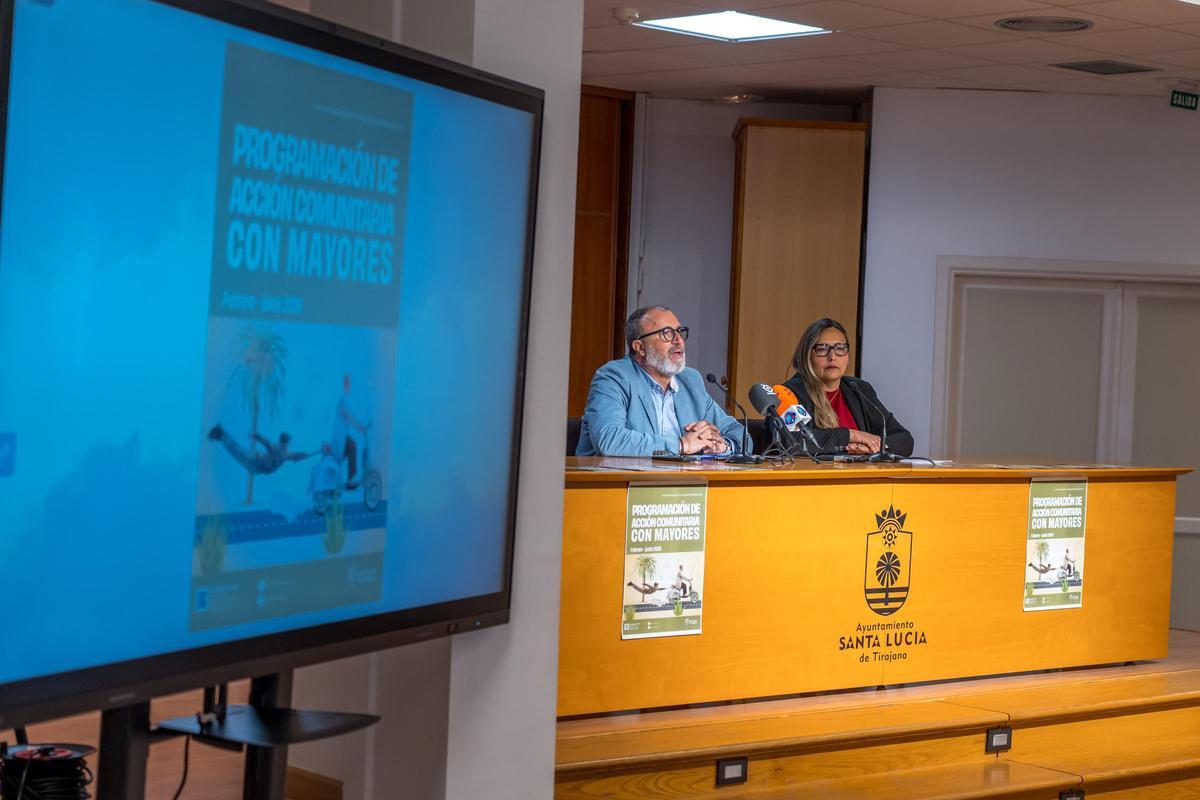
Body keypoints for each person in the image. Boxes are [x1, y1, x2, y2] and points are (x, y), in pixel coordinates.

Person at [576, 305, 748, 457]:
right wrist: (682, 445)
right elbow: (609, 440)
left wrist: (722, 445)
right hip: (613, 487)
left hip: (679, 485)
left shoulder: (690, 380)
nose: (678, 340)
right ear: (640, 347)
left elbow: (740, 433)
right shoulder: (613, 377)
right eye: (666, 333)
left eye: (680, 332)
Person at [781, 318, 913, 457]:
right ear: (807, 355)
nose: (832, 357)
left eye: (840, 348)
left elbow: (904, 440)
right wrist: (852, 435)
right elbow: (792, 441)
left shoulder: (859, 389)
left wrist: (877, 446)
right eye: (822, 349)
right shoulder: (789, 394)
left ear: (848, 355)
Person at [208, 424, 310, 475]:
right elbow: (266, 443)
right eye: (286, 444)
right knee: (234, 449)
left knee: (235, 449)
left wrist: (304, 455)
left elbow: (294, 455)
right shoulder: (277, 449)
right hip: (253, 460)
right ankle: (220, 433)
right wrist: (256, 435)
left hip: (256, 466)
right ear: (283, 443)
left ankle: (220, 434)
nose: (287, 446)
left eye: (287, 444)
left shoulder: (285, 454)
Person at [329, 372, 367, 488]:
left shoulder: (343, 399)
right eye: (346, 381)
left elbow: (350, 416)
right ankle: (350, 480)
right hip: (339, 437)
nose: (348, 385)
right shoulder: (342, 399)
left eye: (349, 382)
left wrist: (360, 425)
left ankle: (347, 479)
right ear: (344, 383)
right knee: (353, 445)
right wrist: (359, 427)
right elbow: (348, 417)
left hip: (340, 436)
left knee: (351, 445)